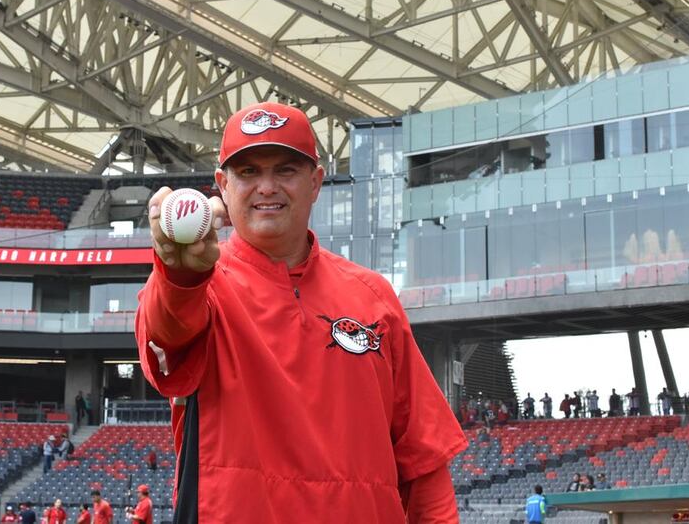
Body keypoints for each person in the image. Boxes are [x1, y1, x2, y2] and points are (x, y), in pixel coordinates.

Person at [136, 101, 467, 522]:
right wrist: (178, 278)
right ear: (221, 184)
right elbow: (166, 334)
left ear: (315, 182)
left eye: (285, 170)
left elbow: (423, 460)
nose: (267, 187)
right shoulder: (201, 285)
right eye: (249, 172)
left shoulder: (374, 297)